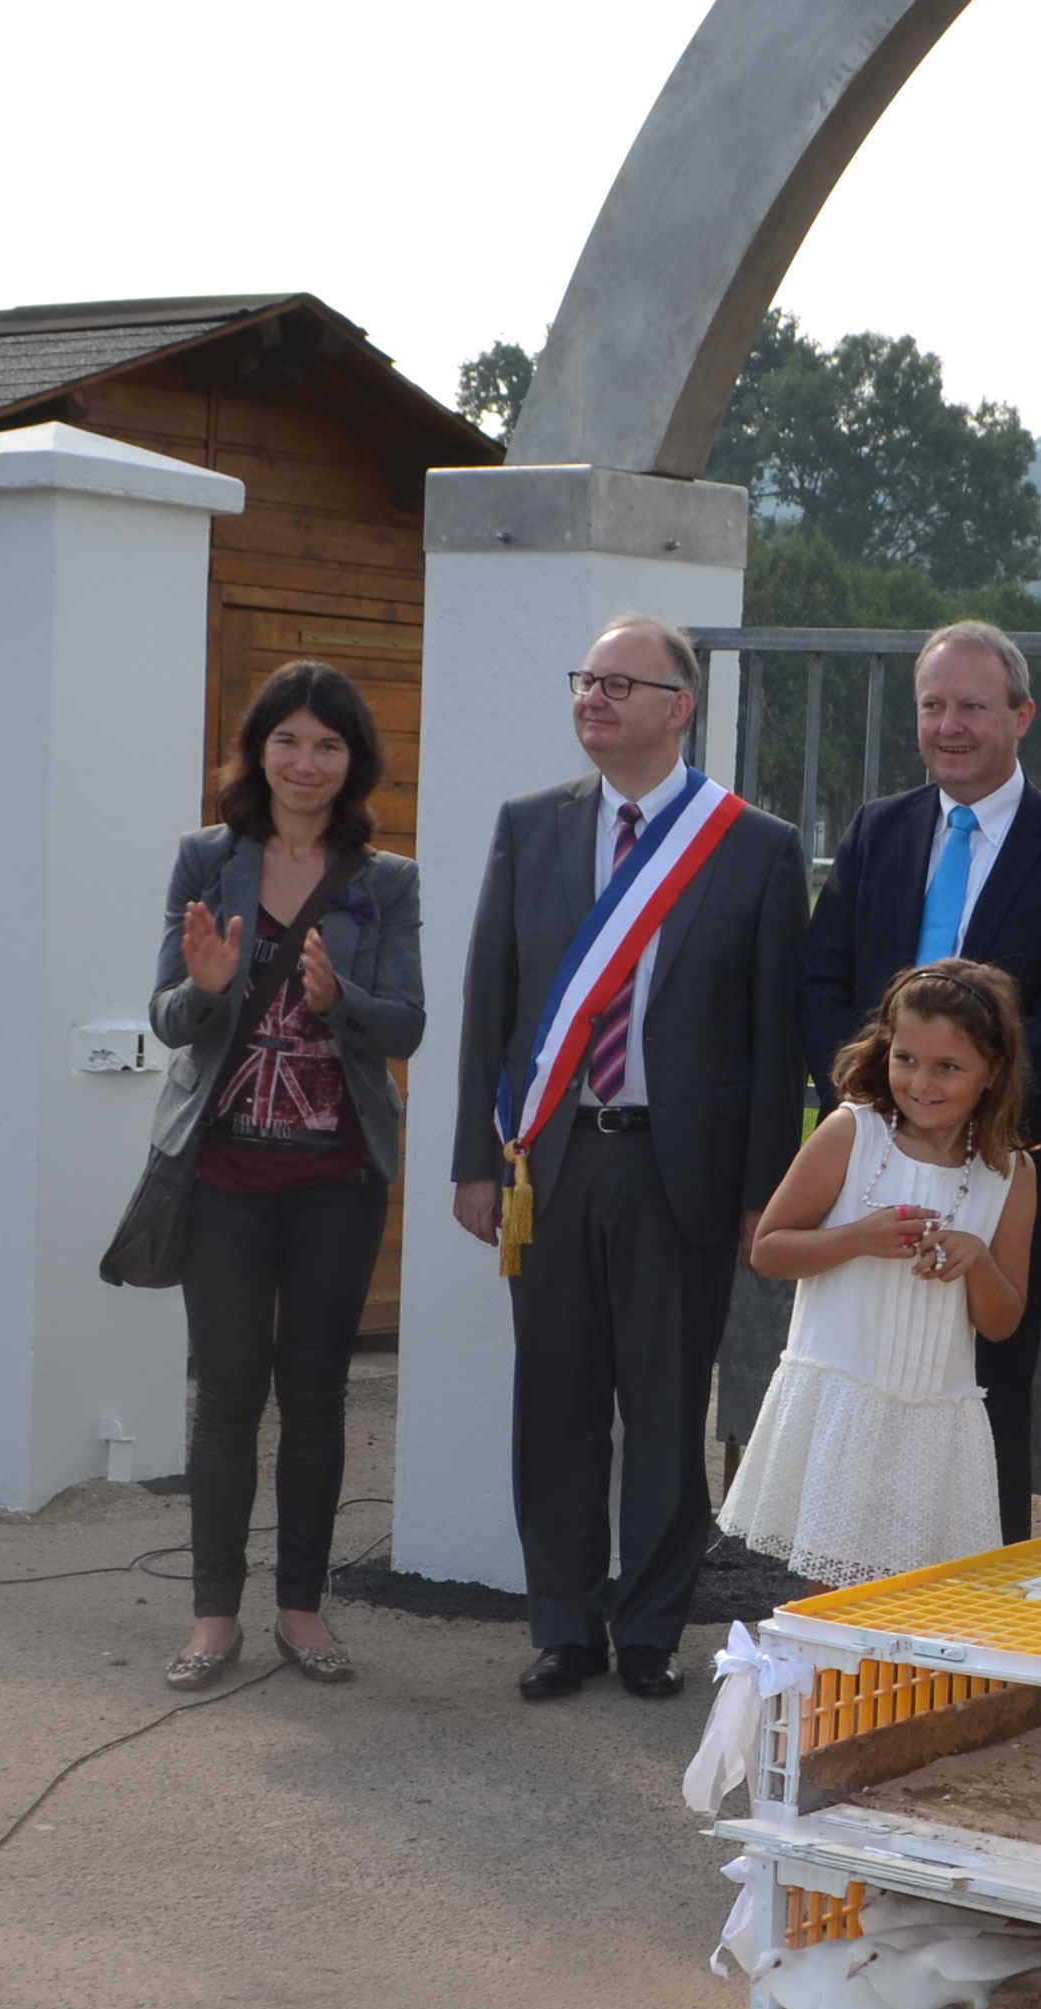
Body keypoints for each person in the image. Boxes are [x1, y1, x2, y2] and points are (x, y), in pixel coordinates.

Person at [450, 613, 808, 1704]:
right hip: (552, 1164)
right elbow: (489, 1001)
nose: (592, 699)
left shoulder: (753, 845)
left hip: (675, 1172)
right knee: (553, 1405)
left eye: (618, 683)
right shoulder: (530, 826)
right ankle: (562, 1624)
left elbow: (770, 1037)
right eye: (584, 680)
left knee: (663, 1410)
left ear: (678, 708)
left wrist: (763, 1193)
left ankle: (649, 1630)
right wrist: (475, 1157)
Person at [797, 622, 1041, 1539]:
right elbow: (821, 979)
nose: (949, 725)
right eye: (933, 705)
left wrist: (954, 1129)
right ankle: (855, 1635)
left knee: (983, 1422)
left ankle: (976, 1644)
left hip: (998, 1178)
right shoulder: (878, 829)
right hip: (867, 1172)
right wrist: (874, 1114)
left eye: (972, 707)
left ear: (1020, 716)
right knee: (857, 1408)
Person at [145, 659, 422, 1693]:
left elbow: (408, 1024)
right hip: (221, 1175)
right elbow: (166, 1016)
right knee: (224, 1397)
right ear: (258, 749)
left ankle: (301, 1610)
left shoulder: (384, 880)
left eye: (328, 745)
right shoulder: (204, 861)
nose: (306, 763)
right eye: (288, 741)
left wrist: (341, 997)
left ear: (353, 763)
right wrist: (208, 992)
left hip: (336, 1178)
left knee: (314, 1396)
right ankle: (213, 1615)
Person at [720, 960, 1033, 1586]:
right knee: (831, 1596)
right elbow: (769, 1250)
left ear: (992, 1072)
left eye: (949, 1067)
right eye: (906, 1059)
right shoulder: (852, 1133)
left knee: (915, 1603)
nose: (921, 1082)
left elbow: (1003, 1322)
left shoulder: (1010, 1172)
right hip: (843, 1406)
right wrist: (859, 1238)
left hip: (934, 1422)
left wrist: (975, 1260)